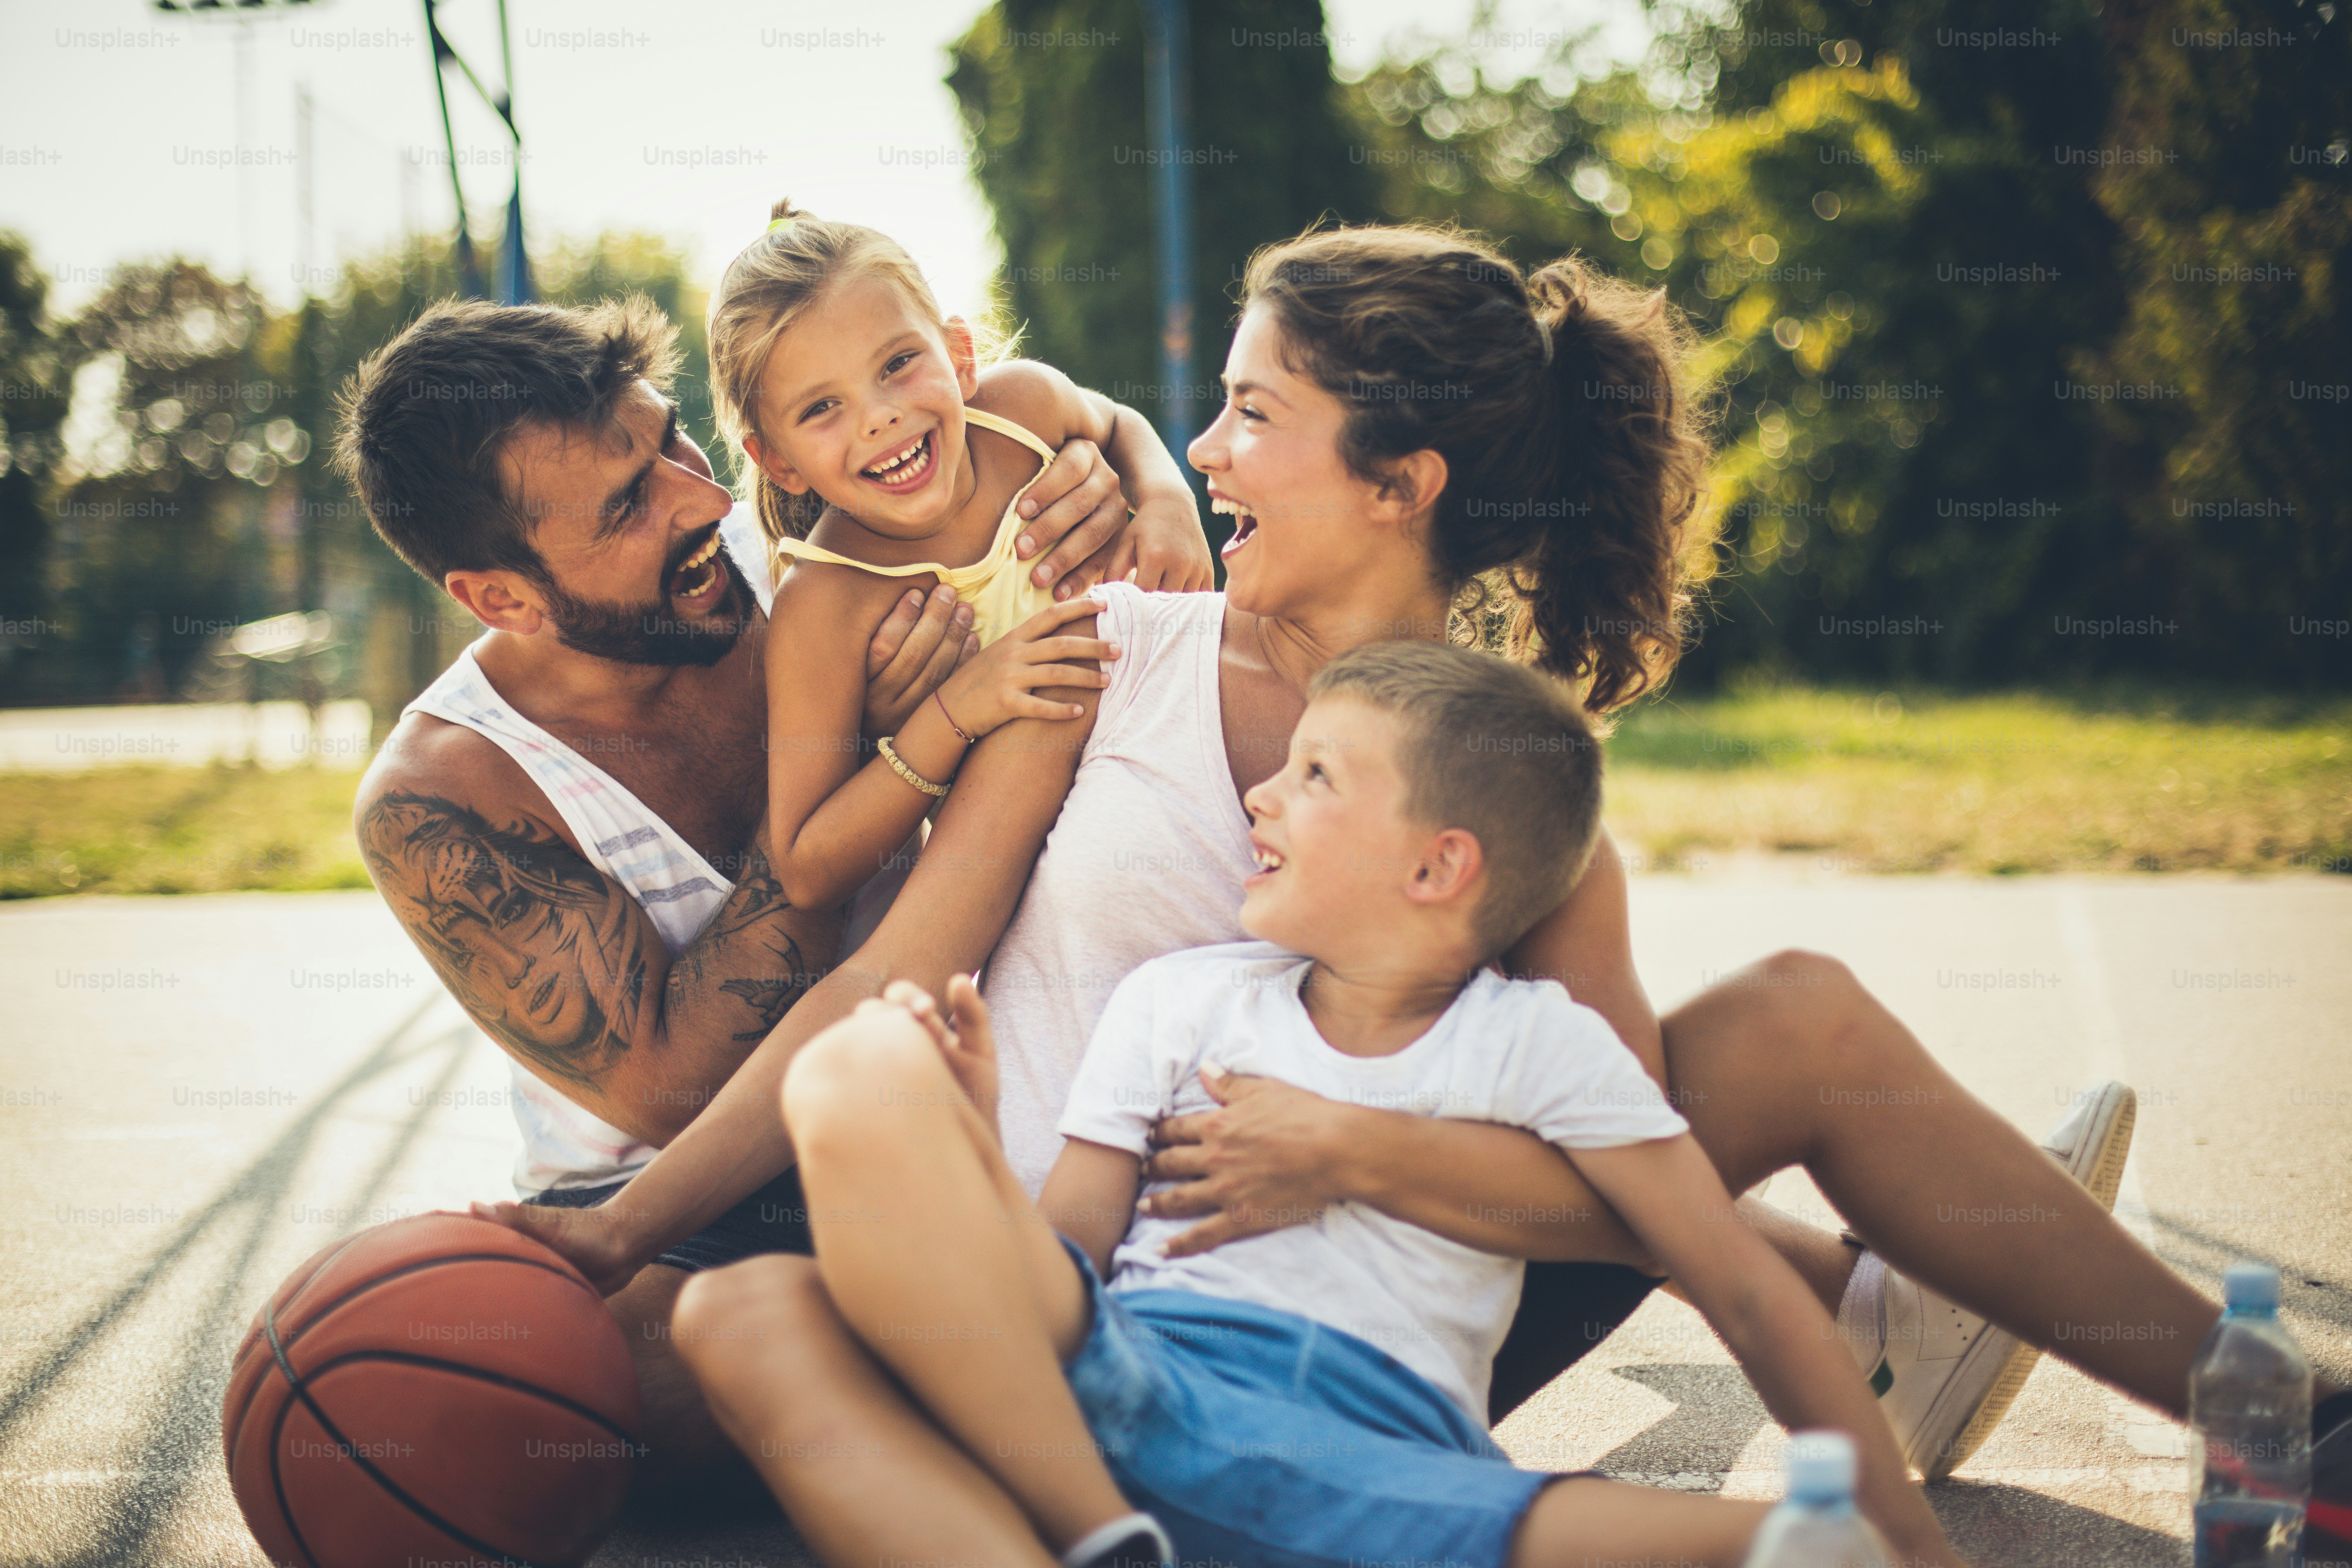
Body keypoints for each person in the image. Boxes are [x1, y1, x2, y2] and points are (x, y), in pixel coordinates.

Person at [485, 224, 2347, 1550]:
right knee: (721, 1340)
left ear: (1399, 479)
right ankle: (1862, 1301)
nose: (1192, 450)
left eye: (1243, 417)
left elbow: (1604, 1166)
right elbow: (874, 973)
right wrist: (620, 1223)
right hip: (1076, 1293)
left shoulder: (1505, 769)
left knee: (1795, 1019)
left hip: (1374, 1295)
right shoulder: (1103, 651)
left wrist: (1343, 1149)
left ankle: (2270, 1417)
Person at [747, 638, 1975, 1566]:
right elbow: (1067, 1252)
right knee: (766, 1256)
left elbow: (1745, 1286)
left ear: (1440, 865)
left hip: (1372, 1445)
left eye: (1315, 775)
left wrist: (1906, 1535)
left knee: (1798, 1541)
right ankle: (1103, 1539)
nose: (1261, 800)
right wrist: (959, 1142)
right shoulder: (1177, 1001)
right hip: (1125, 1383)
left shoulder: (1540, 1047)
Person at [335, 290, 1211, 1483]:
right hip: (689, 1202)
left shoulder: (817, 538)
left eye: (673, 441)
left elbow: (1059, 414)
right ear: (503, 597)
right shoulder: (445, 792)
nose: (700, 502)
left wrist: (1141, 480)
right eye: (629, 503)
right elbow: (676, 1091)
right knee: (578, 1393)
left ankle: (1001, 1392)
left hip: (947, 1091)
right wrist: (886, 755)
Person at [701, 200, 1201, 913]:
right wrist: (955, 710)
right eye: (821, 408)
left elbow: (1119, 421)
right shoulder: (825, 604)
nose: (879, 416)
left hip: (1198, 755)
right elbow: (808, 867)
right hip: (1053, 884)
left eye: (898, 364)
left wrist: (1166, 499)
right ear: (778, 461)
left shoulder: (1022, 410)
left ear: (960, 357)